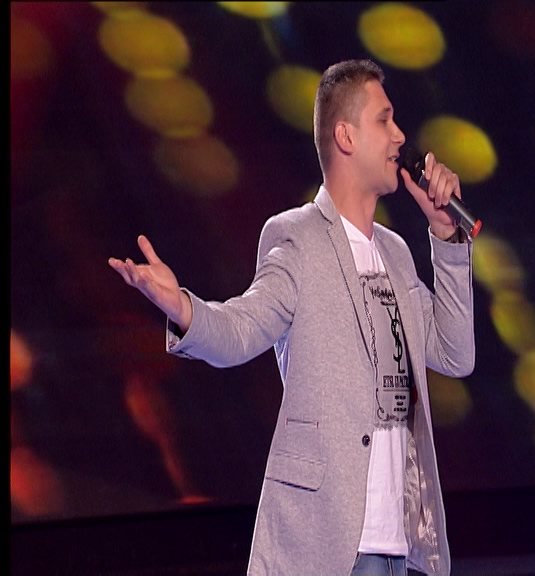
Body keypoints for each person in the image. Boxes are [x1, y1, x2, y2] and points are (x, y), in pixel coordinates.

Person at [109, 59, 475, 576]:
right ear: (345, 136)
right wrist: (182, 306)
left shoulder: (395, 253)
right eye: (384, 119)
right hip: (330, 540)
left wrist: (446, 237)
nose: (399, 135)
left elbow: (455, 355)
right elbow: (240, 330)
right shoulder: (298, 238)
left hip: (399, 542)